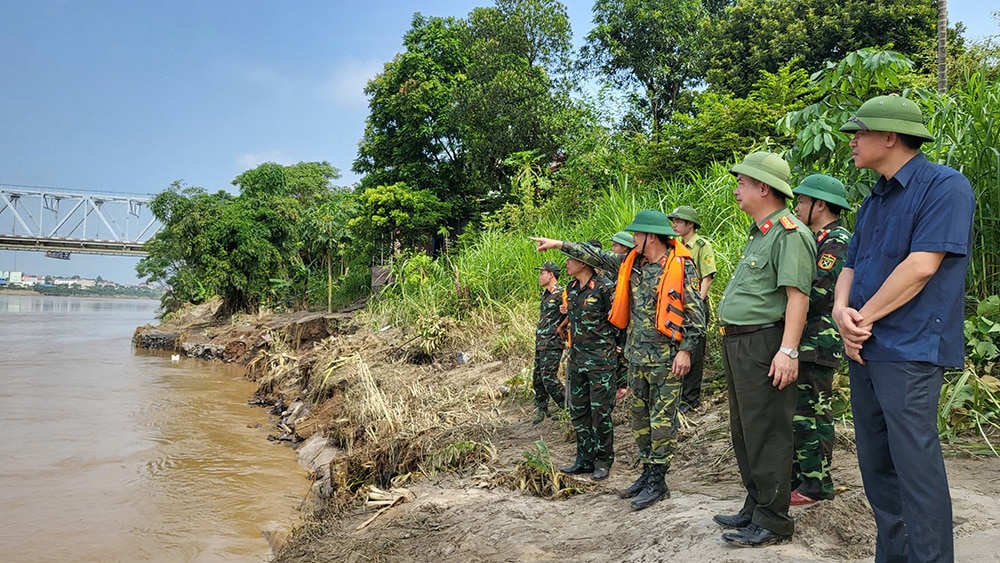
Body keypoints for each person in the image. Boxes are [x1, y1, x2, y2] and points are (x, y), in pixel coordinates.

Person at [834, 95, 975, 563]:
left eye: (860, 132)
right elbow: (851, 264)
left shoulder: (945, 187)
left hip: (910, 349)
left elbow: (920, 267)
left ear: (890, 136)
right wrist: (841, 312)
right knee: (876, 466)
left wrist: (863, 317)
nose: (852, 141)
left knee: (915, 468)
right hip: (865, 348)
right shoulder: (874, 199)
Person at [531, 209, 706, 510]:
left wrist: (686, 351)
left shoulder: (680, 267)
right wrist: (560, 244)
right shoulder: (632, 265)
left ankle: (658, 481)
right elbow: (595, 257)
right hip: (638, 358)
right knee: (640, 422)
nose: (632, 240)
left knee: (661, 422)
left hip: (666, 359)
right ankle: (647, 473)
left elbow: (695, 313)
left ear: (651, 237)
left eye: (637, 234)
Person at [713, 152, 816, 547]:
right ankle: (756, 505)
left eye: (742, 182)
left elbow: (797, 297)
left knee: (768, 430)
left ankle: (773, 522)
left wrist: (788, 351)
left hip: (765, 342)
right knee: (745, 429)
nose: (737, 189)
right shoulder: (761, 232)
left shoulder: (789, 233)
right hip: (739, 342)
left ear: (763, 187)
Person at [789, 174, 853, 506]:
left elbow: (818, 290)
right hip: (805, 341)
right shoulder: (813, 238)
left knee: (813, 413)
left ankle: (816, 484)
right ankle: (804, 477)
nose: (797, 206)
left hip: (818, 341)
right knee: (800, 414)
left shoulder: (836, 240)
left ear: (821, 204)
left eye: (802, 200)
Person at [558, 253, 621, 481]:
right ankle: (584, 459)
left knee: (600, 412)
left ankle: (603, 461)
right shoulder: (572, 288)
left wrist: (616, 348)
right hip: (577, 359)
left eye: (570, 259)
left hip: (600, 361)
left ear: (583, 262)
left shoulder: (604, 287)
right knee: (579, 411)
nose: (566, 263)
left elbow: (617, 320)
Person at [668, 205, 717, 413]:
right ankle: (678, 394)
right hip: (678, 305)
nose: (674, 225)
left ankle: (690, 398)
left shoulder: (701, 245)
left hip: (695, 303)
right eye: (674, 221)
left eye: (679, 221)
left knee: (694, 351)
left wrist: (697, 303)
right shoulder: (675, 246)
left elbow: (707, 277)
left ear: (690, 224)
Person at [532, 260, 566, 424]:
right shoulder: (546, 295)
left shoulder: (562, 294)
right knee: (537, 377)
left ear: (551, 274)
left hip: (552, 342)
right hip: (541, 341)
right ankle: (542, 408)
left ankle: (567, 406)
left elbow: (571, 313)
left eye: (542, 273)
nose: (539, 276)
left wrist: (561, 327)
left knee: (548, 377)